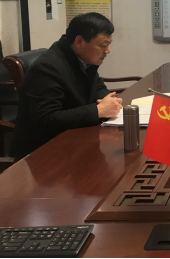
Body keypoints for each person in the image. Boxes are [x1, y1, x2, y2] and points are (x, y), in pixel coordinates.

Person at [10, 12, 123, 158]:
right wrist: (98, 111)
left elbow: (97, 86)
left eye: (109, 44)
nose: (107, 51)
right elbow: (47, 119)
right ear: (79, 42)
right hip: (42, 154)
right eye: (103, 45)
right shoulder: (46, 68)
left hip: (74, 140)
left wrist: (108, 100)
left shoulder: (83, 59)